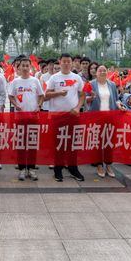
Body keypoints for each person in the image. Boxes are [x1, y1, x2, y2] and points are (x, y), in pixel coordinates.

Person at [45, 53, 87, 182]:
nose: (66, 63)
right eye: (64, 61)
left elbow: (82, 94)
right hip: (57, 116)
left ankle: (73, 168)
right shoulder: (54, 78)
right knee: (58, 143)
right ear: (60, 62)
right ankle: (58, 169)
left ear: (72, 63)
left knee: (72, 143)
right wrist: (59, 93)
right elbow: (46, 95)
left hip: (72, 115)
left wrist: (78, 107)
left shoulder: (76, 78)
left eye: (69, 61)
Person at [86, 64, 125, 178]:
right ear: (96, 72)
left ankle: (108, 165)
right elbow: (84, 98)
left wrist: (120, 106)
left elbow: (116, 99)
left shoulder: (112, 84)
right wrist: (91, 98)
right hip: (96, 117)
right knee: (97, 142)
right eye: (100, 70)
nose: (102, 72)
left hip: (110, 117)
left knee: (109, 141)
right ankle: (99, 165)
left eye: (104, 70)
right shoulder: (91, 84)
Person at [8, 57, 44, 181]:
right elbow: (10, 96)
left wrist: (39, 106)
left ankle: (32, 169)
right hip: (20, 117)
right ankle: (22, 168)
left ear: (30, 67)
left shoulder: (35, 81)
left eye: (27, 65)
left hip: (33, 117)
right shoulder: (15, 82)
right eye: (22, 65)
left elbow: (41, 96)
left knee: (32, 143)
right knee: (21, 143)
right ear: (19, 67)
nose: (24, 68)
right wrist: (15, 104)